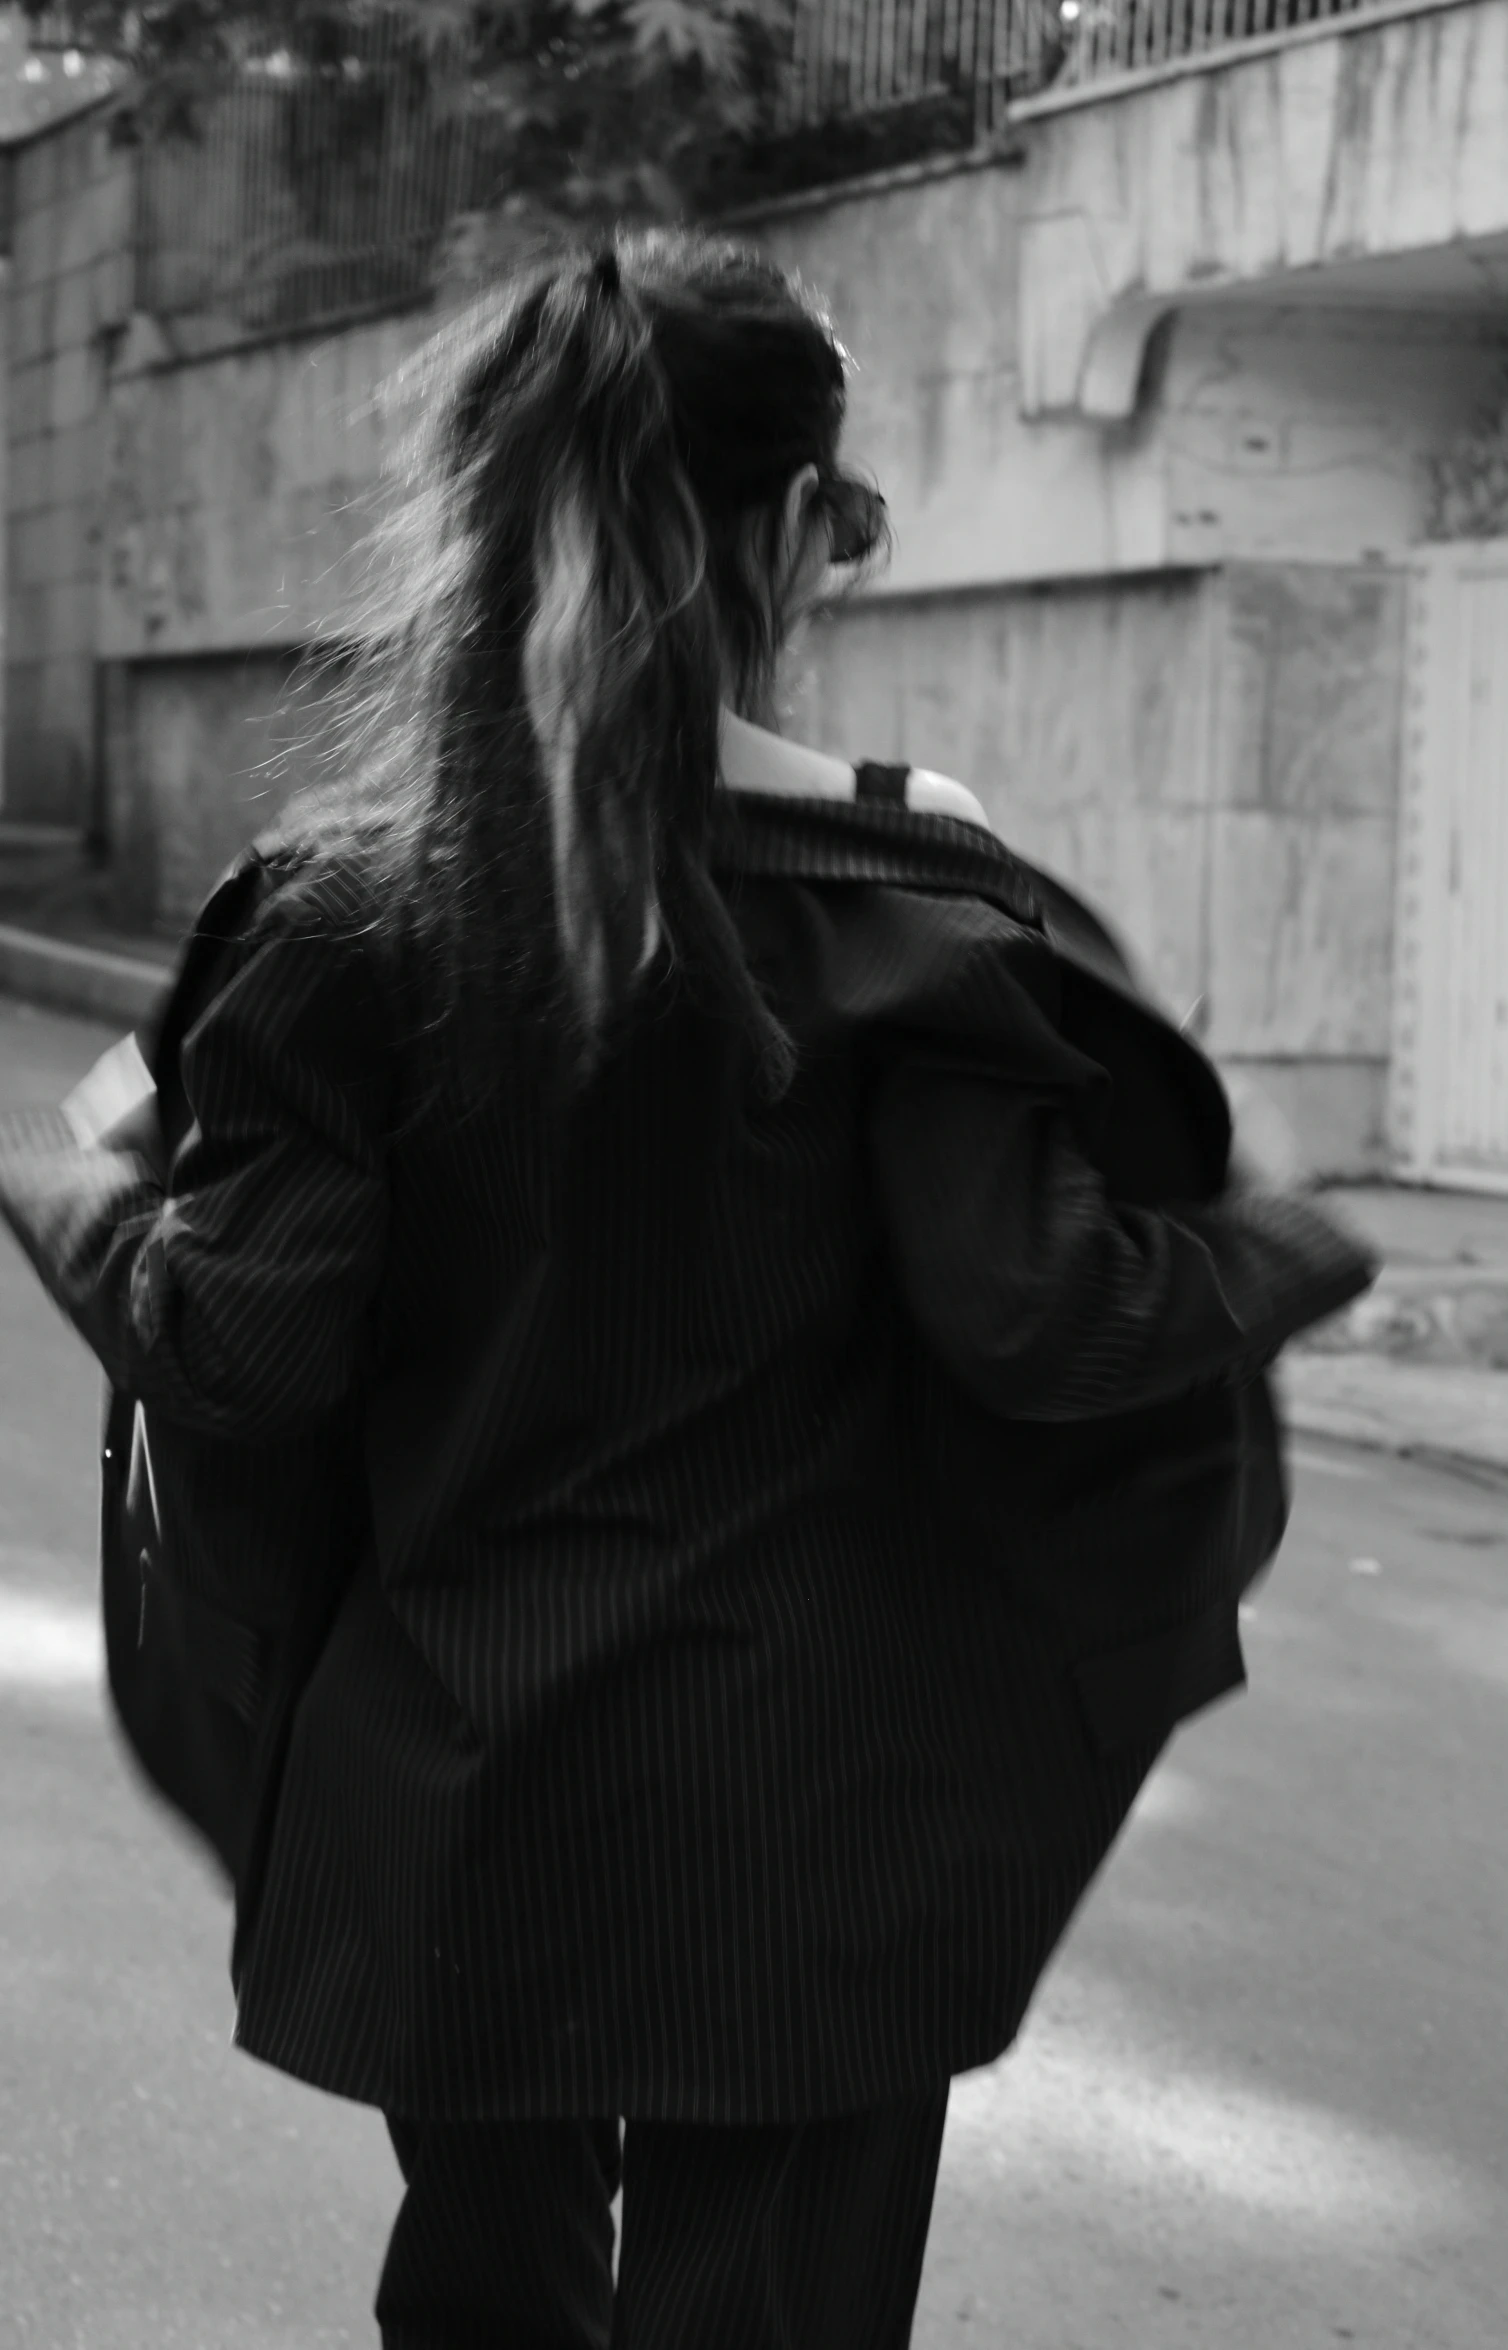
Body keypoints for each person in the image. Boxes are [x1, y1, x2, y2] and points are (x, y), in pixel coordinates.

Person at [0, 230, 1372, 2347]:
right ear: (793, 536)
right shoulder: (924, 908)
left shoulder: (346, 922)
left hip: (464, 1799)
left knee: (492, 2302)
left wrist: (71, 1182)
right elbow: (1054, 1318)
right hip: (825, 1837)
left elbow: (244, 1349)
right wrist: (1289, 1231)